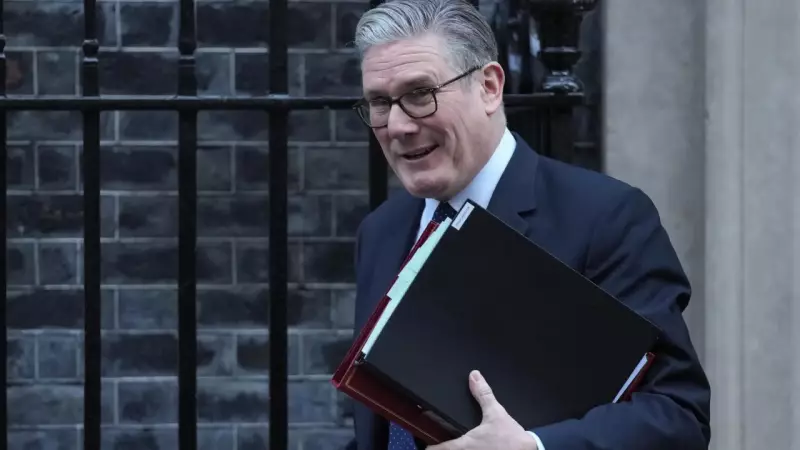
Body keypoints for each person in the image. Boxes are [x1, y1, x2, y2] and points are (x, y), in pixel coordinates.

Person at [348, 0, 711, 449]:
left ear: (489, 87)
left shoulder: (606, 218)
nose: (398, 125)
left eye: (421, 94)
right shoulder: (381, 231)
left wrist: (532, 447)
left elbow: (677, 415)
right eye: (380, 103)